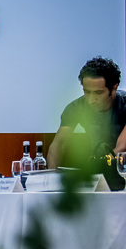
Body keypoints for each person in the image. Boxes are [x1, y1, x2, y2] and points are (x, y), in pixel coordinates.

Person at [48, 57, 126, 189]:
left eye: (98, 93)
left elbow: (121, 149)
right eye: (87, 92)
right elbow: (58, 145)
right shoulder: (75, 107)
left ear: (114, 88)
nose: (91, 100)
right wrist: (51, 181)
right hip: (94, 178)